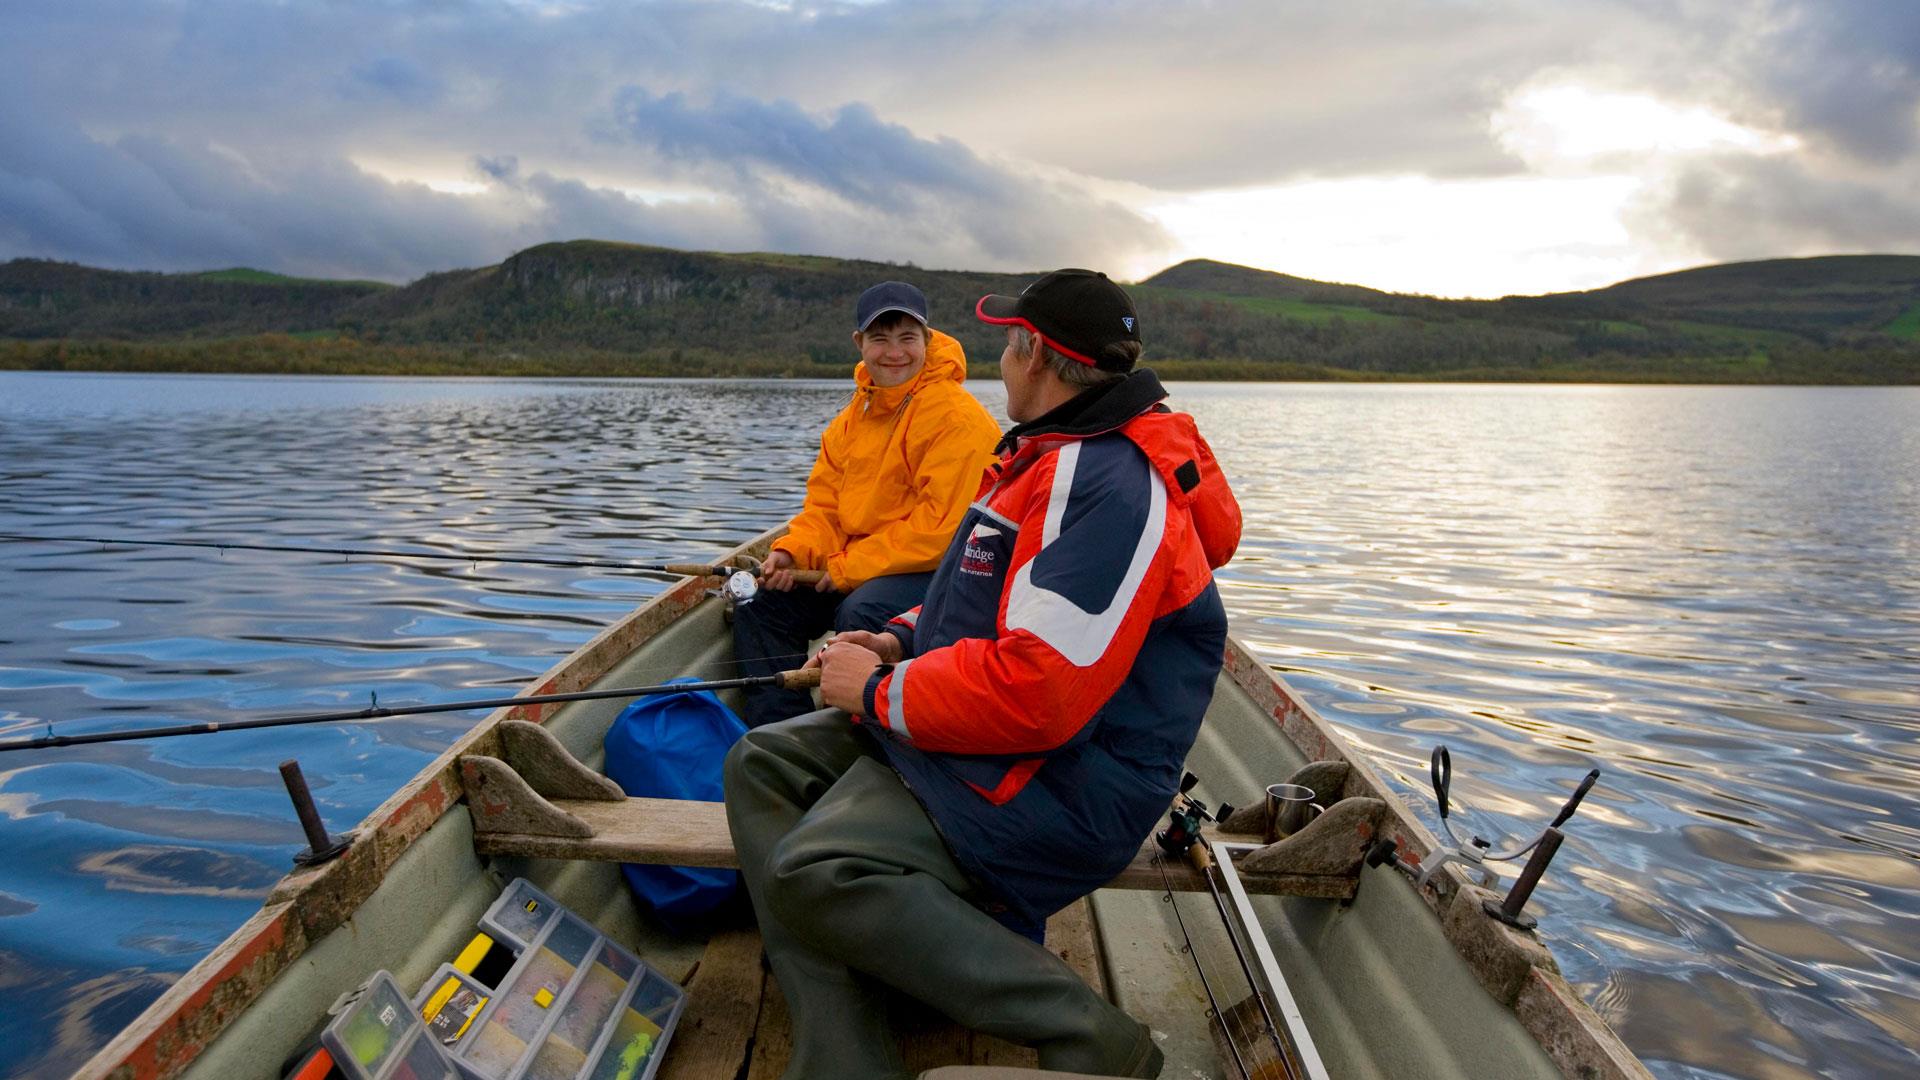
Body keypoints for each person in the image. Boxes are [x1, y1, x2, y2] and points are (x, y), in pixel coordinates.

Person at [725, 269, 1242, 1079]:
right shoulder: (1043, 457)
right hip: (1000, 738)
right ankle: (844, 1052)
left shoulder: (1107, 487)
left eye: (1007, 344)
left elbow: (1037, 694)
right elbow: (965, 603)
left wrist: (874, 692)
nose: (998, 360)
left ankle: (1094, 1041)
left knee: (816, 868)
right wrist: (892, 645)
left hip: (1068, 781)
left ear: (1035, 354)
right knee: (761, 763)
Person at [733, 281, 1002, 728]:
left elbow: (940, 532)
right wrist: (792, 552)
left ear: (927, 341)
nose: (894, 352)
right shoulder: (849, 422)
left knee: (860, 611)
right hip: (860, 564)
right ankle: (781, 734)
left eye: (907, 338)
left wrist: (846, 569)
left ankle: (864, 735)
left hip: (945, 571)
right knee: (762, 606)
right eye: (880, 338)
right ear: (860, 344)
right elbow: (825, 511)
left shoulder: (956, 417)